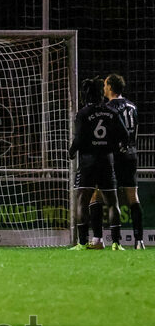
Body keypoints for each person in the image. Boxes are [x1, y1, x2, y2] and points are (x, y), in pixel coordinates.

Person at [69, 77, 127, 250]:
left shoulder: (83, 113)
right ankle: (116, 243)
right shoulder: (111, 112)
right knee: (112, 202)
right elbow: (124, 135)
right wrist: (116, 146)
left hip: (88, 161)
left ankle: (81, 242)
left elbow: (79, 138)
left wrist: (71, 151)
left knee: (82, 201)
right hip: (106, 161)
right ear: (101, 94)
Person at [102, 74, 143, 250]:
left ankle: (112, 240)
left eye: (105, 85)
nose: (104, 88)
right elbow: (136, 132)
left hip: (114, 156)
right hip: (131, 155)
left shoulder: (108, 108)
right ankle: (139, 240)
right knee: (133, 197)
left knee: (106, 197)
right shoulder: (132, 106)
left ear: (110, 87)